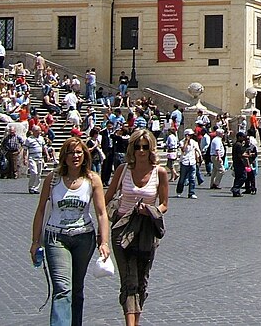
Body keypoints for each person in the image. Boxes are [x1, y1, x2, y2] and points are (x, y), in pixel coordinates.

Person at [31, 137, 111, 326]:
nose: (75, 156)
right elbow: (41, 209)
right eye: (70, 152)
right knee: (62, 288)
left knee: (76, 288)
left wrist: (104, 242)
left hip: (84, 236)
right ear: (64, 157)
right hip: (56, 236)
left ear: (84, 155)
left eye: (78, 152)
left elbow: (101, 212)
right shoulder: (53, 179)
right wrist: (35, 242)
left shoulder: (92, 179)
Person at [104, 129, 168, 326]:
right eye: (137, 147)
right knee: (128, 280)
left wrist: (150, 210)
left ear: (151, 148)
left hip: (146, 230)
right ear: (132, 148)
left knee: (141, 280)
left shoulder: (160, 172)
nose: (141, 151)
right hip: (121, 229)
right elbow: (106, 198)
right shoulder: (123, 170)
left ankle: (136, 321)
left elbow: (164, 204)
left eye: (145, 147)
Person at [175, 129, 200, 198]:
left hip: (192, 162)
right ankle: (179, 191)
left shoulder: (194, 142)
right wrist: (186, 141)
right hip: (184, 161)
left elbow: (197, 150)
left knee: (192, 178)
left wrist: (199, 158)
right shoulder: (181, 142)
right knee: (182, 178)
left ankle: (191, 193)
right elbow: (183, 150)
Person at [25, 125, 47, 194]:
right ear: (34, 131)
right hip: (32, 158)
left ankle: (35, 188)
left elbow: (44, 147)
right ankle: (31, 187)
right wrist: (25, 158)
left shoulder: (41, 138)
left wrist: (47, 155)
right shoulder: (29, 139)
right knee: (34, 172)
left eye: (40, 131)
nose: (40, 132)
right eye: (38, 131)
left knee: (39, 174)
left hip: (40, 158)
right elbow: (25, 149)